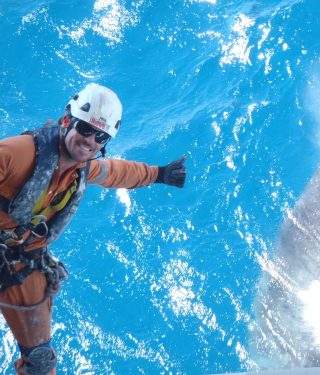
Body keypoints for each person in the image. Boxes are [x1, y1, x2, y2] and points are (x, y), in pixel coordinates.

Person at [0, 83, 187, 374]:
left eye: (100, 136)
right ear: (67, 121)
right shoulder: (17, 154)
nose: (90, 140)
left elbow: (117, 172)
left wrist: (159, 174)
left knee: (41, 362)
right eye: (85, 129)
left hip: (19, 264)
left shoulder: (82, 167)